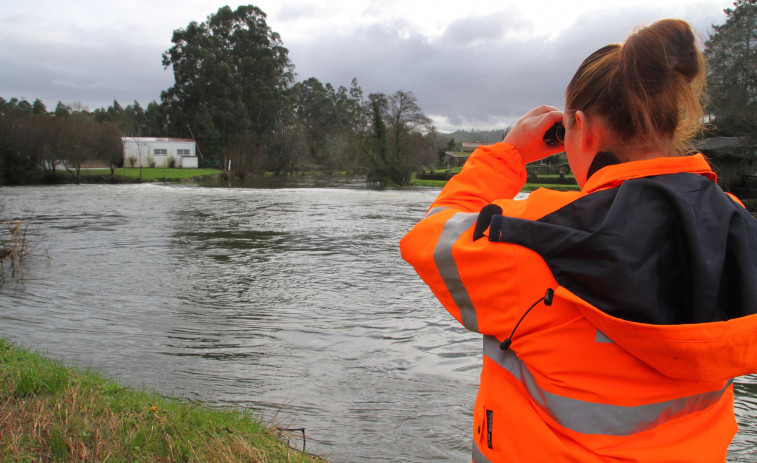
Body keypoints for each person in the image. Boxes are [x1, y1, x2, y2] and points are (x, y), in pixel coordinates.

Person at [400, 18, 757, 462]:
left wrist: (508, 155)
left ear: (583, 129)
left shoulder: (536, 236)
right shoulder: (736, 227)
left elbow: (429, 235)